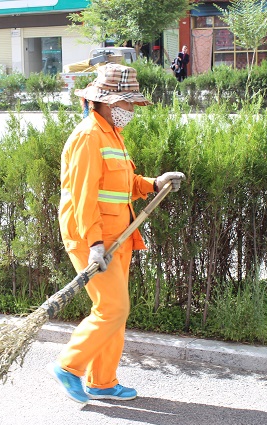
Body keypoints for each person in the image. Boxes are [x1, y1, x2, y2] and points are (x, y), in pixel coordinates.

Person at [47, 63, 185, 403]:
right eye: (128, 103)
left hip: (118, 234)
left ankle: (103, 382)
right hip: (93, 237)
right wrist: (94, 243)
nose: (132, 109)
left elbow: (121, 186)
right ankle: (69, 366)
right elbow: (83, 197)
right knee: (112, 308)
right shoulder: (88, 136)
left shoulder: (111, 134)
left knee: (115, 311)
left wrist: (154, 183)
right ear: (108, 103)